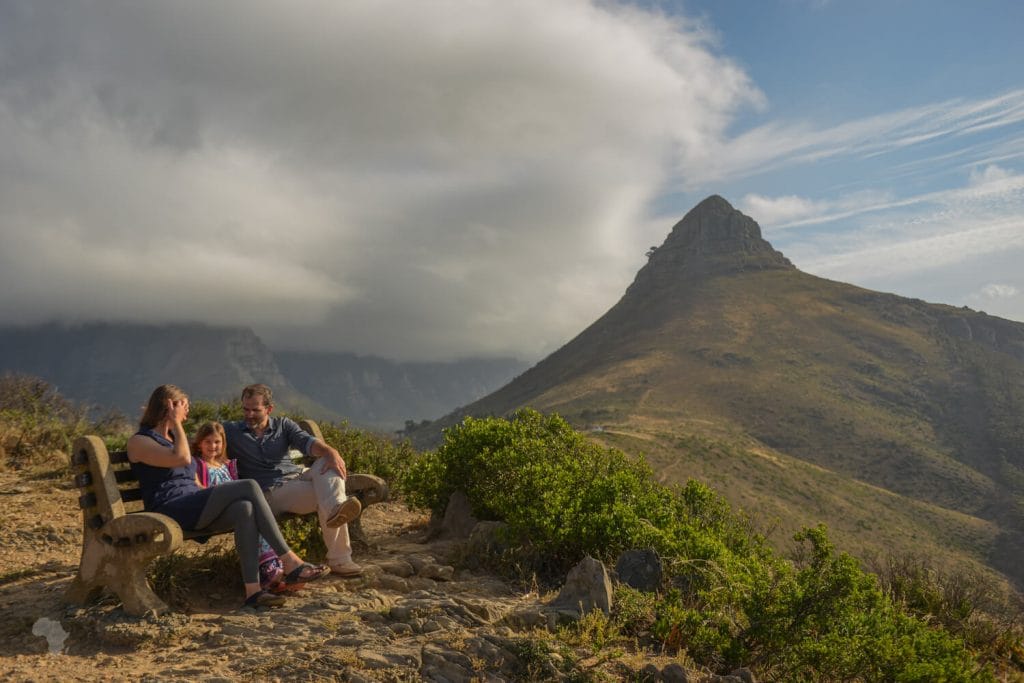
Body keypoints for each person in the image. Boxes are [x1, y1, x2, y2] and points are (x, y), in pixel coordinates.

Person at [127, 384, 330, 608]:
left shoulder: (172, 439)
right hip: (170, 508)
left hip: (193, 503)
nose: (187, 412)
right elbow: (182, 459)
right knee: (249, 486)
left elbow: (191, 476)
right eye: (183, 406)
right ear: (169, 407)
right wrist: (175, 424)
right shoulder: (140, 441)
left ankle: (253, 592)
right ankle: (290, 562)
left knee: (245, 509)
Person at [222, 383, 363, 577]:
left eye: (256, 410)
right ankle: (340, 556)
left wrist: (331, 451)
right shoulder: (231, 431)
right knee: (328, 498)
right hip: (271, 491)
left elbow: (307, 443)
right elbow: (202, 441)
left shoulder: (283, 425)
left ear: (269, 409)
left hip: (297, 478)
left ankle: (335, 510)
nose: (249, 414)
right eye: (246, 409)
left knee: (326, 462)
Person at [193, 421, 285, 592]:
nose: (213, 446)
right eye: (208, 442)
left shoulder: (226, 464)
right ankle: (273, 572)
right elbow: (197, 489)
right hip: (215, 510)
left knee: (254, 516)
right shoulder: (197, 464)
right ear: (199, 443)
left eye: (217, 442)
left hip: (237, 508)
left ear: (223, 444)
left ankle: (272, 572)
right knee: (254, 514)